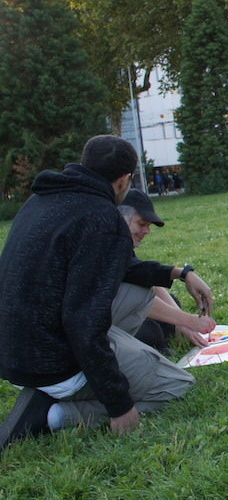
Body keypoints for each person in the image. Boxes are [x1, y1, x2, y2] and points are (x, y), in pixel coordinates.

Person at [0, 135, 197, 451]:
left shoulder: (43, 200)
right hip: (51, 362)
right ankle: (52, 414)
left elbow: (123, 270)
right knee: (176, 385)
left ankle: (106, 365)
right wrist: (119, 402)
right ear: (124, 180)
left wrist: (178, 273)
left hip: (14, 350)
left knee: (136, 293)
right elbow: (82, 320)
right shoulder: (101, 217)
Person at [117, 189, 217, 353]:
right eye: (141, 224)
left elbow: (143, 275)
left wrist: (185, 274)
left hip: (124, 312)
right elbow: (134, 296)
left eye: (148, 226)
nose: (146, 231)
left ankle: (167, 338)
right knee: (151, 331)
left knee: (171, 302)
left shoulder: (122, 245)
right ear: (120, 219)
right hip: (102, 322)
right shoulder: (105, 245)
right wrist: (187, 321)